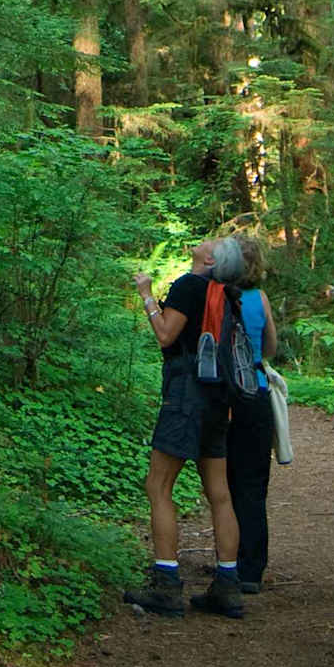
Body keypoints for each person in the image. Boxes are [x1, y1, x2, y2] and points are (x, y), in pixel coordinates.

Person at [124, 234, 247, 620]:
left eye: (215, 242)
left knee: (157, 486)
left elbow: (165, 335)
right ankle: (228, 587)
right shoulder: (226, 294)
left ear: (210, 261)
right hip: (217, 399)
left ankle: (166, 584)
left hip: (185, 396)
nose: (207, 239)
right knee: (219, 492)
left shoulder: (189, 286)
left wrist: (146, 295)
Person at [227, 232, 278, 593]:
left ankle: (228, 562)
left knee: (226, 483)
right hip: (257, 393)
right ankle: (251, 569)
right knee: (253, 485)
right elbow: (270, 347)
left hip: (226, 398)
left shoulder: (217, 298)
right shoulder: (260, 299)